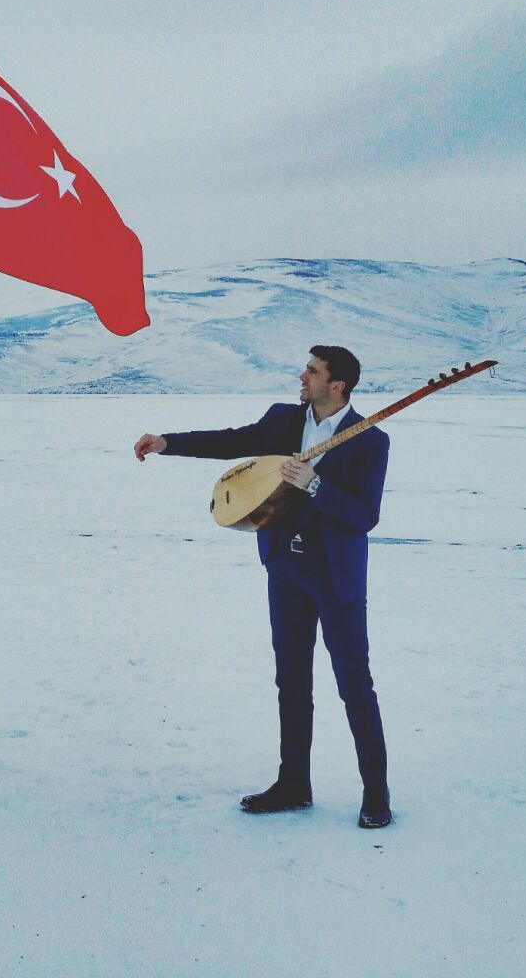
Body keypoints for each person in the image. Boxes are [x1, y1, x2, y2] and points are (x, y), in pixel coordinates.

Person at [133, 346, 393, 829]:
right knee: (290, 681)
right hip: (285, 569)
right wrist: (168, 442)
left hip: (335, 578)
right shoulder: (282, 420)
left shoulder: (369, 441)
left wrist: (316, 485)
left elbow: (365, 517)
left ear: (337, 386)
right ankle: (293, 783)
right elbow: (232, 442)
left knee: (354, 683)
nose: (302, 376)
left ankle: (375, 795)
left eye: (312, 372)